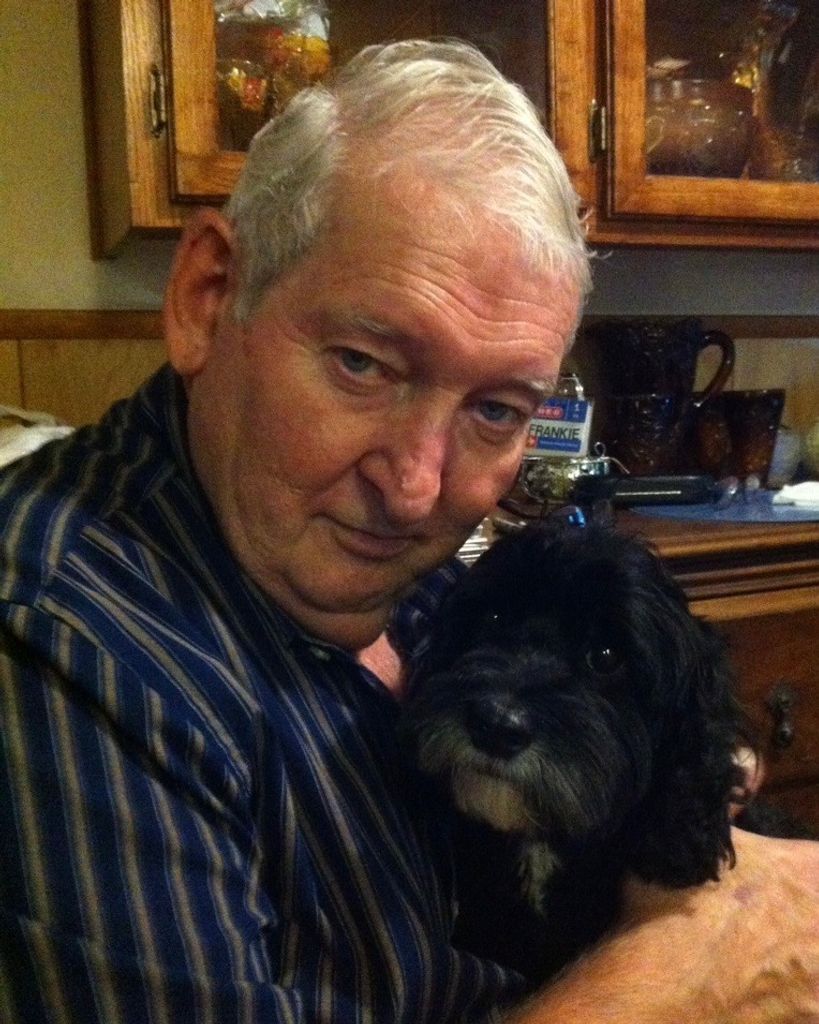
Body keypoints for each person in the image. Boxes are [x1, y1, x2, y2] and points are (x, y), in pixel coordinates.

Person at [0, 38, 817, 1024]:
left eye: (496, 410)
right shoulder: (67, 645)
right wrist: (700, 965)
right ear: (208, 299)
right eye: (363, 364)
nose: (418, 487)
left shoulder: (385, 565)